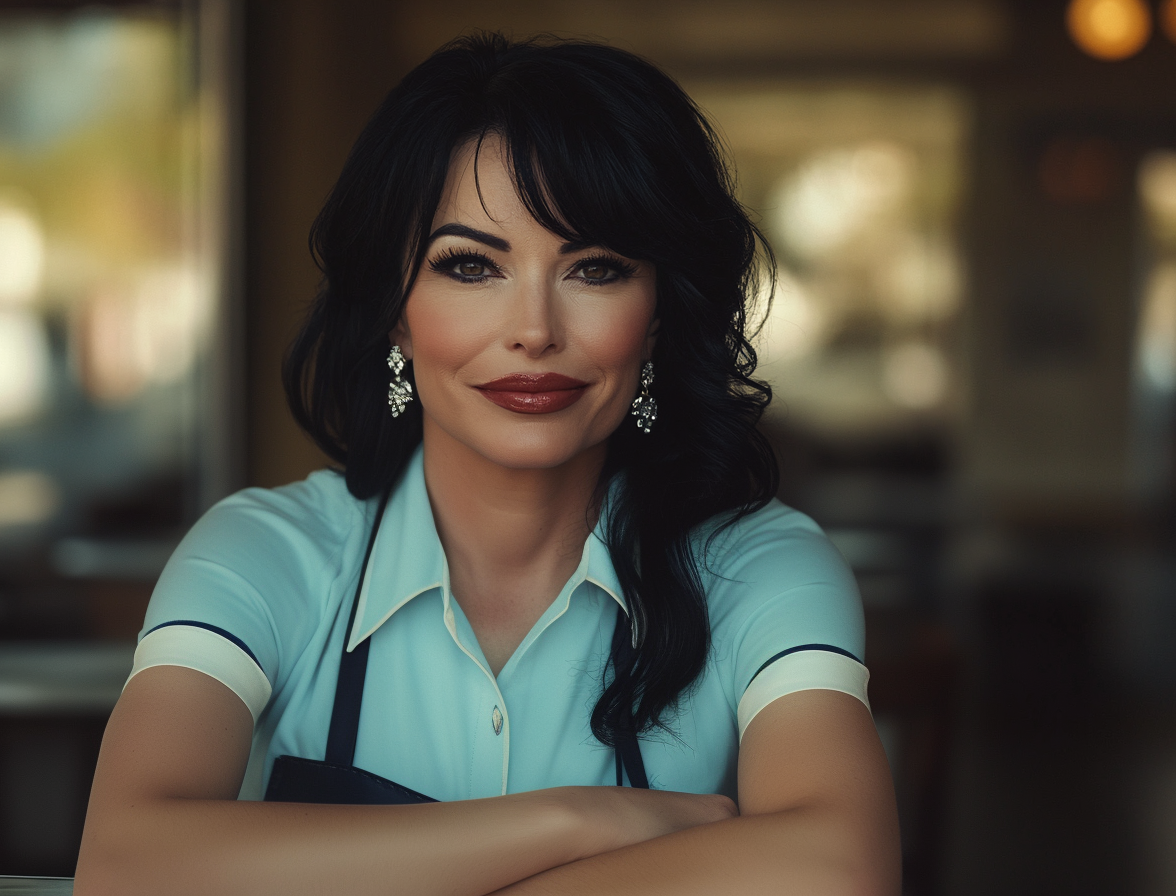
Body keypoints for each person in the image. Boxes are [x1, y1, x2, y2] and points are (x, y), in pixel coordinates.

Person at [75, 33, 900, 896]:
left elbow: (839, 868)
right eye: (470, 266)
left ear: (657, 315)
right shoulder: (265, 553)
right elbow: (126, 864)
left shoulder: (758, 567)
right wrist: (578, 820)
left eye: (596, 267)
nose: (534, 329)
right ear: (394, 312)